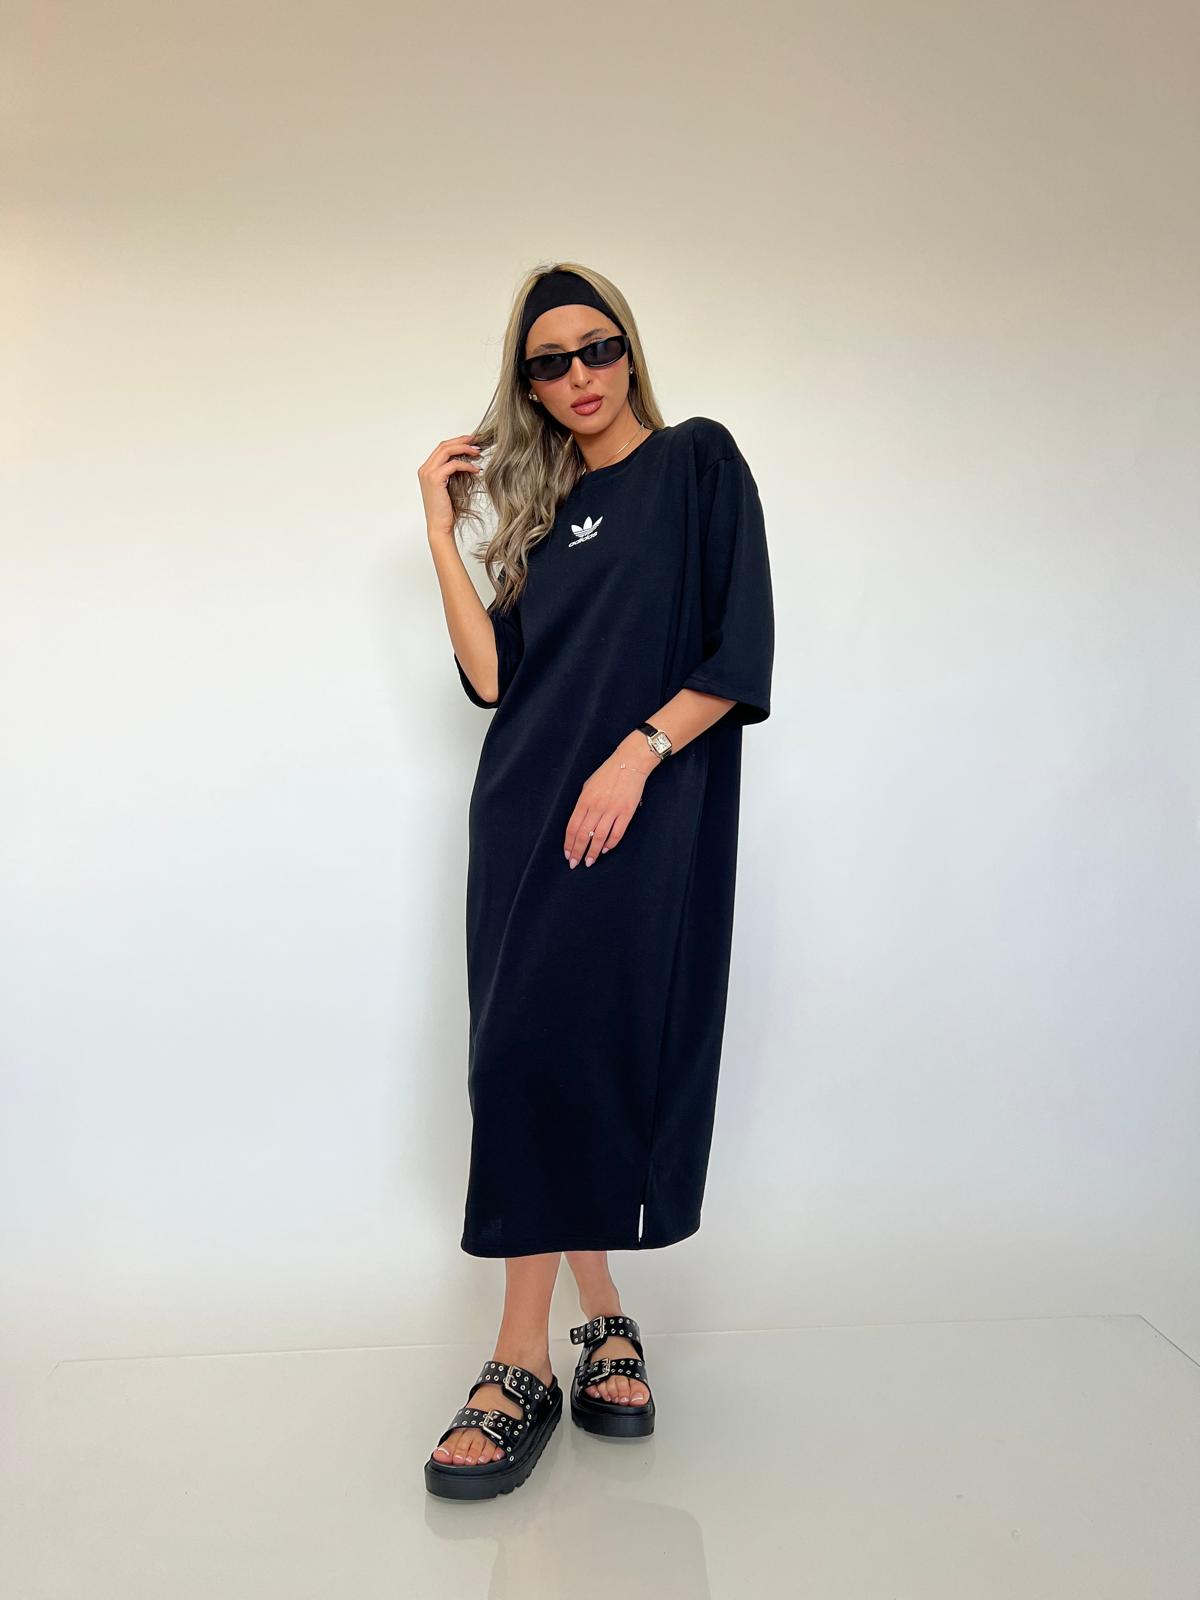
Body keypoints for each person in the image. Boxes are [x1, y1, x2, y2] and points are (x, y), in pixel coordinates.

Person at [419, 263, 774, 1499]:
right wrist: (440, 531)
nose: (579, 376)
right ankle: (556, 1337)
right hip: (524, 815)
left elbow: (740, 647)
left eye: (597, 347)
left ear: (629, 350)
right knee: (524, 1058)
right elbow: (494, 682)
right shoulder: (543, 514)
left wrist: (638, 751)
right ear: (527, 385)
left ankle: (551, 1343)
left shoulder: (697, 464)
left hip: (640, 811)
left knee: (581, 1055)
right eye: (549, 363)